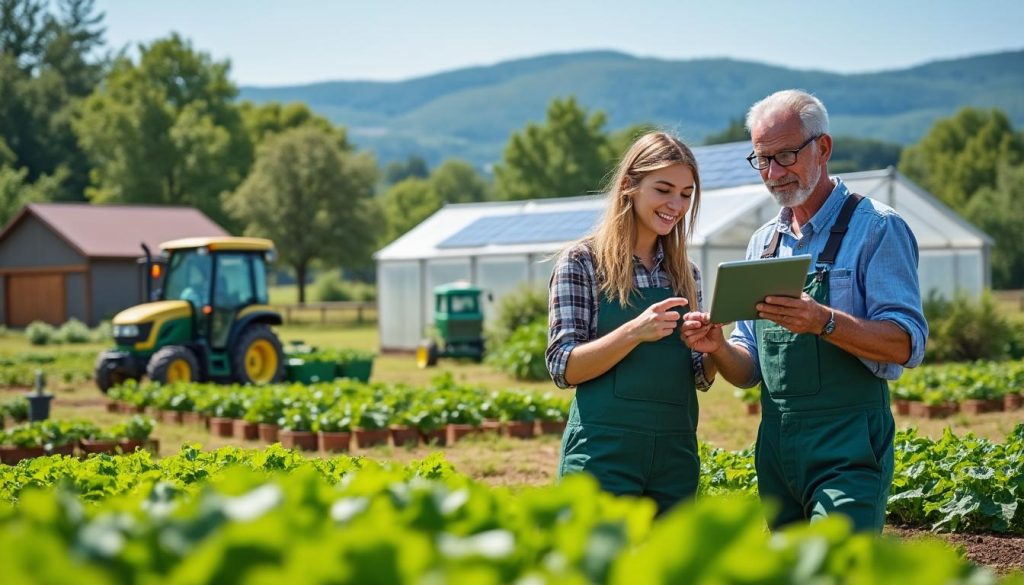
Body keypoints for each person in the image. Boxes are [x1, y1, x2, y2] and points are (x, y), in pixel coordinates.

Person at [681, 90, 928, 532]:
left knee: (836, 568)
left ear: (823, 148)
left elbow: (906, 343)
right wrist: (718, 347)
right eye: (763, 160)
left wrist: (824, 321)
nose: (774, 173)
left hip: (848, 441)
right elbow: (749, 368)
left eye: (787, 155)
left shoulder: (877, 228)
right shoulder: (763, 244)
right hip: (777, 445)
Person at [545, 131, 716, 515]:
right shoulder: (582, 262)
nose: (676, 204)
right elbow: (563, 366)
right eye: (664, 189)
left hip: (675, 455)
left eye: (686, 194)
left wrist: (712, 348)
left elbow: (699, 377)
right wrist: (633, 332)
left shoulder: (685, 273)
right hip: (602, 454)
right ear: (629, 186)